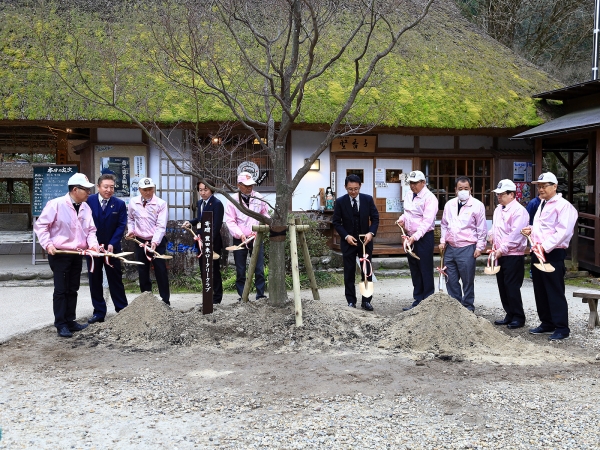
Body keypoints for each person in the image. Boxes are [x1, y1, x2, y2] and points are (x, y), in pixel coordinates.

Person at [34, 173, 99, 338]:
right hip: (60, 253)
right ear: (75, 190)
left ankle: (71, 321)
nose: (89, 193)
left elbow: (90, 230)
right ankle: (61, 324)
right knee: (61, 290)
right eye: (86, 190)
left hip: (77, 253)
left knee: (73, 288)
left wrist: (93, 245)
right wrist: (48, 244)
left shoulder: (85, 207)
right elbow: (41, 226)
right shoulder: (56, 204)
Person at [522, 172, 578, 341]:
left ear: (554, 186)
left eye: (544, 185)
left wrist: (544, 247)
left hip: (552, 251)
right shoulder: (542, 204)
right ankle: (547, 322)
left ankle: (562, 327)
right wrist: (531, 229)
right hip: (538, 249)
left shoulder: (563, 206)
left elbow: (563, 231)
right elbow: (544, 227)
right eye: (539, 186)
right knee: (540, 288)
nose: (540, 189)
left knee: (554, 289)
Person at [438, 176, 487, 312]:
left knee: (467, 280)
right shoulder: (449, 204)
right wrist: (442, 241)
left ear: (471, 189)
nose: (463, 191)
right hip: (450, 247)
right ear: (455, 190)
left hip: (467, 247)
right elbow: (444, 224)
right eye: (460, 189)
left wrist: (480, 247)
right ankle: (455, 306)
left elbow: (481, 228)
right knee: (450, 279)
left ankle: (468, 307)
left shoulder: (477, 205)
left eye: (466, 188)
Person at [332, 174, 379, 310]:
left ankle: (366, 301)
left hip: (365, 241)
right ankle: (351, 300)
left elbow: (375, 219)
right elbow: (336, 222)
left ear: (360, 187)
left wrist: (371, 233)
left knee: (366, 271)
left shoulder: (367, 199)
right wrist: (346, 236)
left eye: (356, 189)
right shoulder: (340, 202)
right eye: (350, 189)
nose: (353, 192)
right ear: (345, 187)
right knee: (349, 271)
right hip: (348, 242)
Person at [86, 174, 128, 324]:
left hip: (112, 248)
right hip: (93, 248)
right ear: (98, 187)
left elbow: (121, 225)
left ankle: (122, 309)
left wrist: (113, 242)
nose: (109, 190)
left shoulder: (119, 204)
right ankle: (99, 312)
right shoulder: (88, 201)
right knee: (94, 279)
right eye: (105, 187)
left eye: (112, 187)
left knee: (115, 278)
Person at [489, 179, 529, 328]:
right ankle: (509, 313)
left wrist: (502, 249)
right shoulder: (498, 209)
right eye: (497, 194)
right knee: (502, 285)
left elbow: (515, 235)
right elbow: (496, 227)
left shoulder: (519, 211)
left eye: (502, 194)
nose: (499, 197)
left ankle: (518, 316)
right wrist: (491, 235)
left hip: (513, 254)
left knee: (512, 286)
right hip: (500, 252)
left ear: (511, 194)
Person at [224, 171, 270, 301]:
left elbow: (265, 213)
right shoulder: (232, 200)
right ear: (239, 185)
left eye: (251, 185)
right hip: (240, 238)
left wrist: (266, 224)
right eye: (246, 185)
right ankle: (243, 296)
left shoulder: (259, 197)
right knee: (240, 269)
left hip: (256, 237)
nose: (250, 188)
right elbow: (230, 221)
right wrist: (239, 234)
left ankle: (260, 295)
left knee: (259, 268)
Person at [397, 170, 438, 310]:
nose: (412, 186)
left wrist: (415, 237)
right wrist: (402, 220)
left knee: (425, 268)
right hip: (410, 236)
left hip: (423, 237)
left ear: (423, 183)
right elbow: (407, 212)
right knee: (414, 268)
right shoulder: (409, 194)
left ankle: (428, 301)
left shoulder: (430, 198)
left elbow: (427, 222)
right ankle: (418, 299)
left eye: (415, 183)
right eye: (410, 183)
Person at [126, 177, 170, 305]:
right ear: (139, 190)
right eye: (145, 190)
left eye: (150, 189)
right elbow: (131, 219)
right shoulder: (133, 202)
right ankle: (146, 300)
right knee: (142, 270)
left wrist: (155, 242)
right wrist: (131, 230)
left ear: (154, 188)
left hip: (157, 241)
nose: (148, 192)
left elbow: (161, 225)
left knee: (160, 270)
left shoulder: (161, 204)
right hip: (140, 241)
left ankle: (165, 301)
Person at [183, 180, 224, 304]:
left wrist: (208, 241)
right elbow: (200, 219)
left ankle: (216, 299)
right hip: (201, 242)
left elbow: (216, 226)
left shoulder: (217, 204)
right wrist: (190, 222)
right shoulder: (200, 203)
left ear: (211, 189)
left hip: (212, 242)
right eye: (200, 190)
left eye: (205, 190)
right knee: (204, 270)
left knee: (213, 270)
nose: (203, 192)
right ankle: (207, 297)